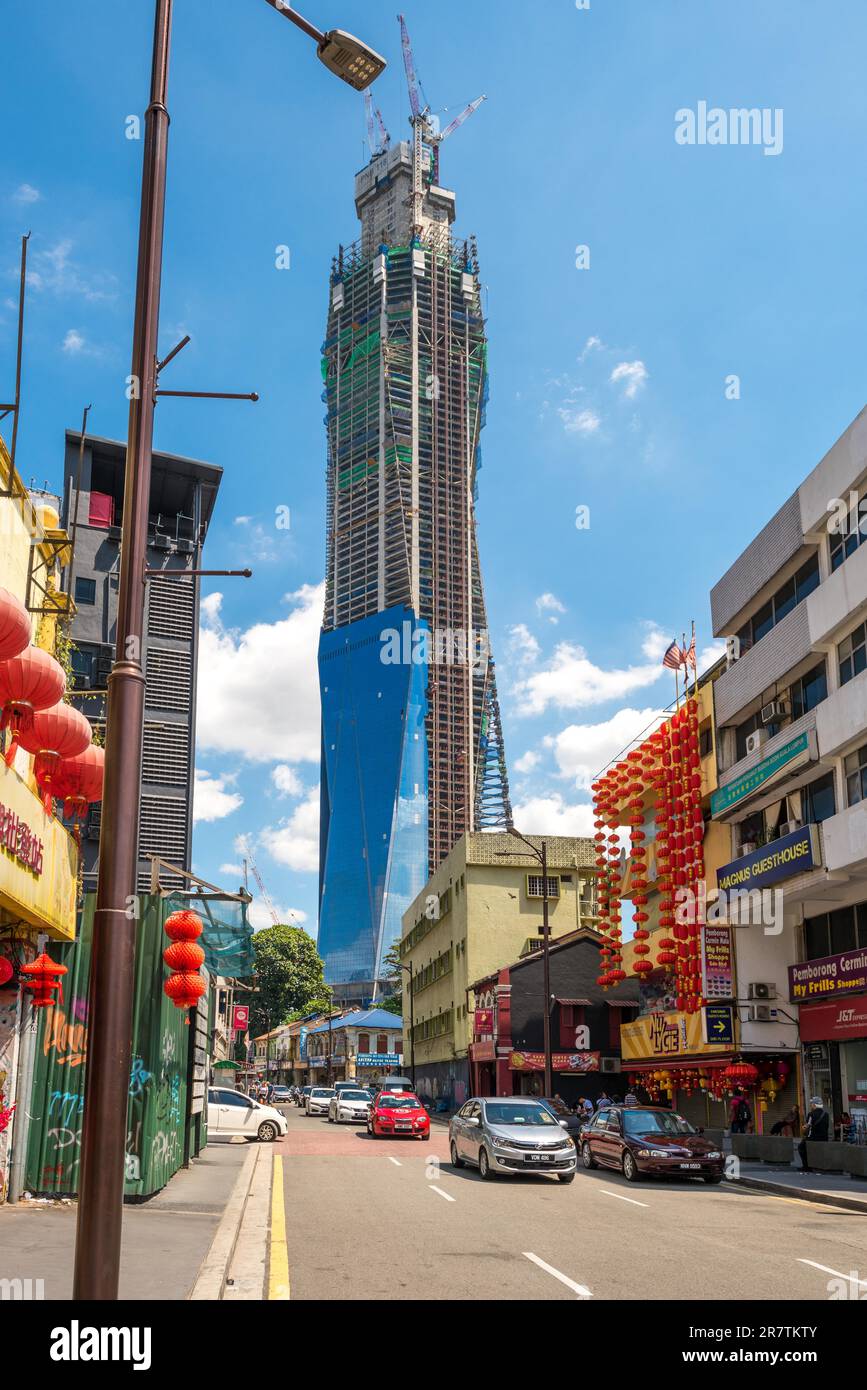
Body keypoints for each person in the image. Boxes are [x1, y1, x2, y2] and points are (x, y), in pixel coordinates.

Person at [798, 1096, 830, 1171]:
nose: (811, 1105)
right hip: (824, 1138)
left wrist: (803, 1128)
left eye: (812, 1103)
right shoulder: (826, 1114)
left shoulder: (811, 1114)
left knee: (801, 1147)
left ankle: (806, 1166)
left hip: (813, 1138)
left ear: (815, 1105)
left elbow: (807, 1127)